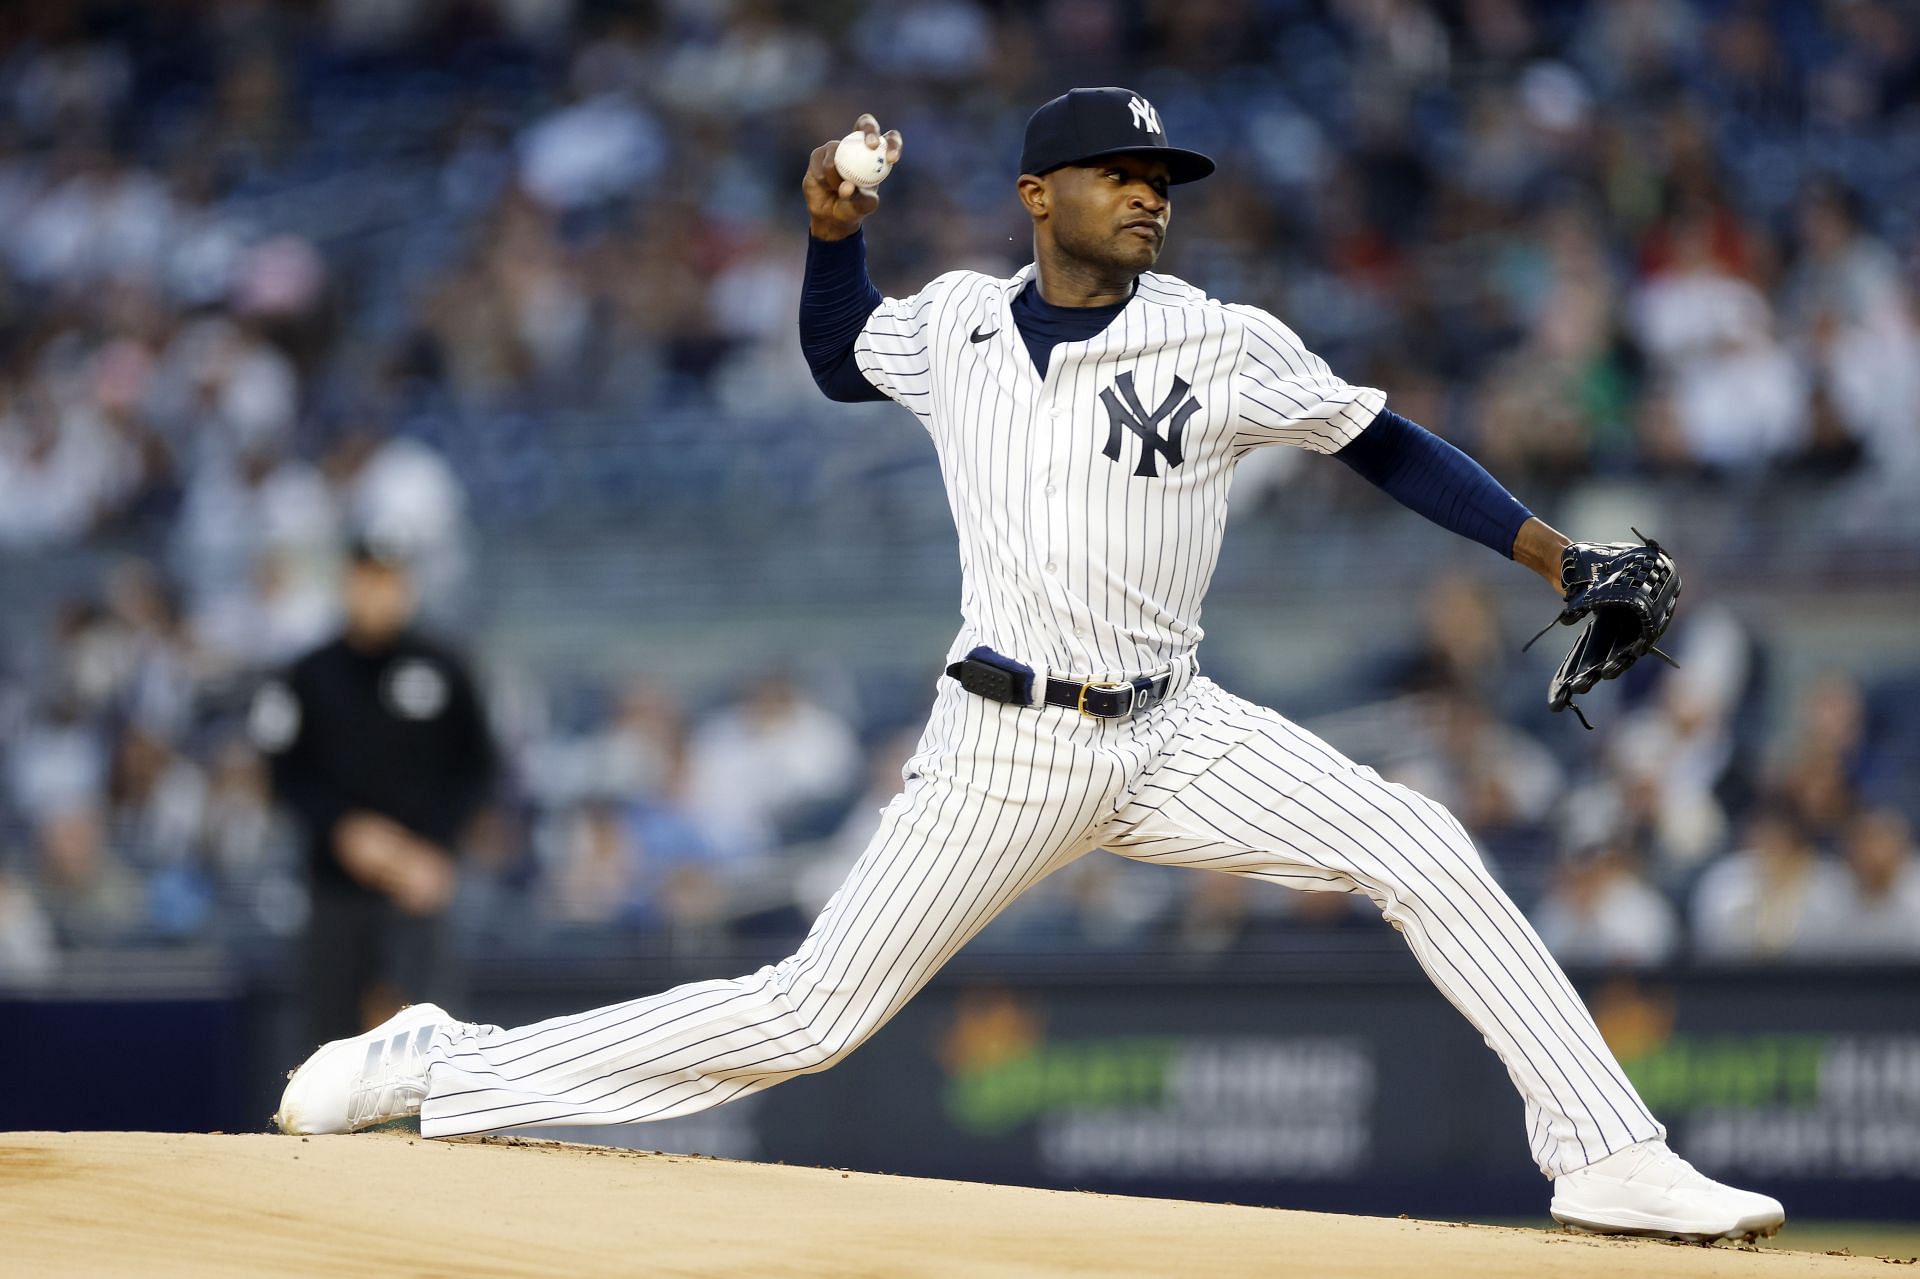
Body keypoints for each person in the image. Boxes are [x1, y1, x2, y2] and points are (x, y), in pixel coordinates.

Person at [275, 91, 1783, 1243]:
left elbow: (1380, 441)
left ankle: (1609, 1154)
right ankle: (445, 1061)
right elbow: (831, 351)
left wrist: (1553, 552)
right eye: (1122, 175)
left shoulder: (1220, 338)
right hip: (1001, 741)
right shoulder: (954, 329)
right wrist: (828, 232)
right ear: (1035, 195)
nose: (1149, 196)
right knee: (804, 1016)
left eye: (1163, 179)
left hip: (1176, 723)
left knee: (1422, 840)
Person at [254, 535, 496, 1044]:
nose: (378, 594)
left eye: (389, 581)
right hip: (336, 884)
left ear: (408, 587)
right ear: (347, 584)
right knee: (329, 1036)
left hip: (420, 880)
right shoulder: (311, 674)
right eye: (367, 579)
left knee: (427, 1036)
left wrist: (433, 848)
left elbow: (478, 768)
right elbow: (284, 772)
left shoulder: (444, 667)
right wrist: (343, 829)